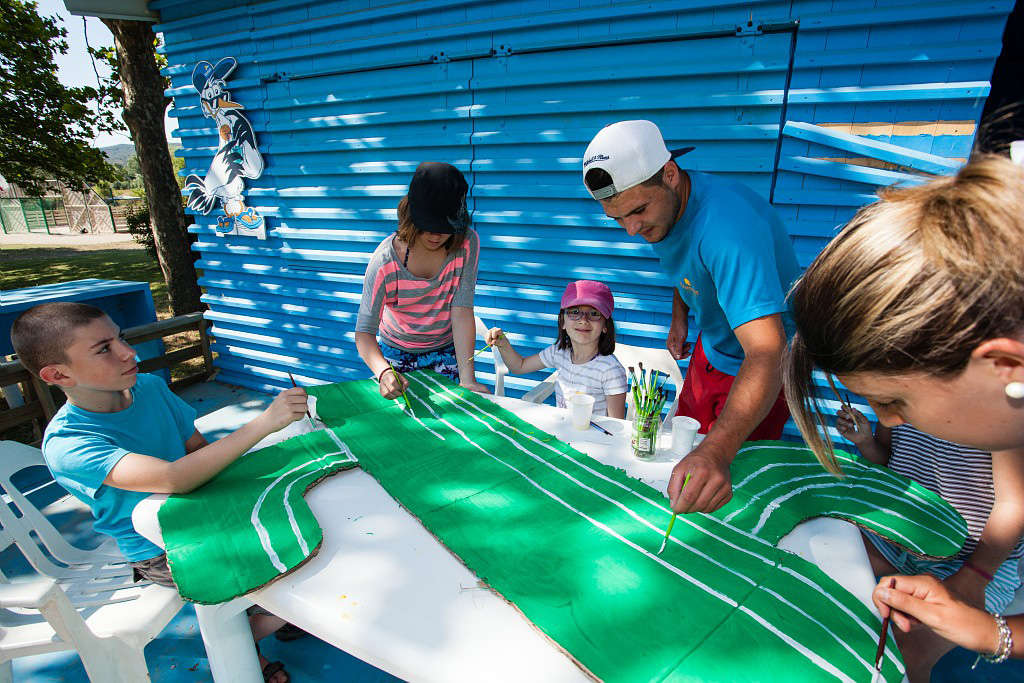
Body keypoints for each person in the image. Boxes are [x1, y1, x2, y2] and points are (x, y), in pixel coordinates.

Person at [783, 154, 1024, 677]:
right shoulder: (996, 400)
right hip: (917, 534)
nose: (890, 421)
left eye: (895, 402)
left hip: (972, 556)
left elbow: (1013, 505)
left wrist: (979, 599)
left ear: (1004, 366)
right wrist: (987, 632)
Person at [11, 302, 310, 683]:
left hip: (203, 509)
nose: (128, 352)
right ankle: (241, 647)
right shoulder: (69, 443)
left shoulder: (149, 387)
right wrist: (266, 423)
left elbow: (198, 451)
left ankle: (267, 620)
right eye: (103, 348)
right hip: (156, 546)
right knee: (286, 564)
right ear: (58, 374)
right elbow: (173, 477)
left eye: (120, 337)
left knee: (306, 524)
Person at [582, 120, 801, 513]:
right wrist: (679, 314)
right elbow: (686, 260)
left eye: (637, 212)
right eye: (617, 219)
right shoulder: (665, 207)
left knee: (730, 483)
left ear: (669, 173)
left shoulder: (730, 232)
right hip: (712, 347)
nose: (631, 231)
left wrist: (717, 451)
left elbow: (768, 352)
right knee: (682, 454)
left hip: (765, 367)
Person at [837, 409, 1024, 679]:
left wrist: (974, 578)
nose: (885, 411)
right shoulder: (891, 400)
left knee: (904, 653)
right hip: (900, 538)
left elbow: (1014, 504)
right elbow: (891, 462)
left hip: (978, 562)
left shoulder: (1000, 411)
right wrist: (866, 443)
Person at [354, 161, 487, 398]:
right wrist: (384, 372)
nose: (436, 235)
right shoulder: (385, 261)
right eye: (428, 225)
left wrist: (468, 379)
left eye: (445, 226)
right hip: (395, 355)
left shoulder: (467, 244)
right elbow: (364, 332)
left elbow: (461, 310)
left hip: (447, 350)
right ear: (411, 215)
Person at [485, 280, 628, 418]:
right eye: (575, 312)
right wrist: (504, 344)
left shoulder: (610, 370)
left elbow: (616, 425)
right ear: (562, 322)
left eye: (594, 314)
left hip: (594, 441)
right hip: (562, 434)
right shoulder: (559, 352)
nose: (583, 320)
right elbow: (519, 367)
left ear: (605, 326)